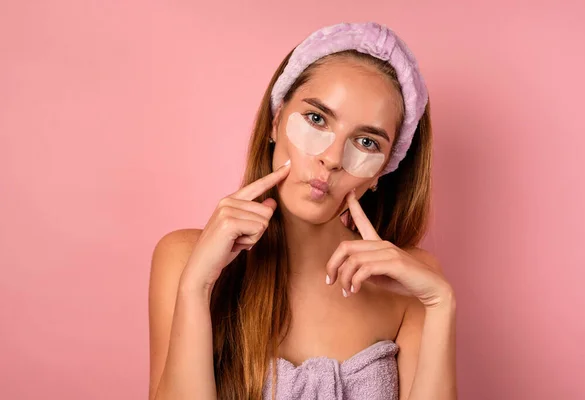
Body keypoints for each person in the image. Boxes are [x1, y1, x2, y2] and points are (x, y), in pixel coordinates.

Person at [148, 22, 457, 400]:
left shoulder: (411, 283)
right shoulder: (183, 257)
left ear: (382, 172)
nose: (330, 158)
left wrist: (441, 304)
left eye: (365, 141)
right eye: (316, 119)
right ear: (276, 120)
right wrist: (196, 286)